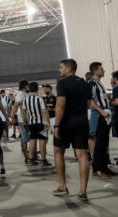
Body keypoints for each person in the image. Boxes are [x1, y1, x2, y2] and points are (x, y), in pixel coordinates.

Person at [53, 59, 92, 201]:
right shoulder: (85, 84)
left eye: (61, 67)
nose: (59, 70)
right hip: (82, 122)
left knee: (58, 152)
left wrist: (57, 125)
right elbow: (88, 104)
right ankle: (83, 192)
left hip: (65, 123)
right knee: (82, 155)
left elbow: (60, 105)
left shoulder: (62, 83)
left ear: (68, 69)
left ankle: (63, 187)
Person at [87, 62, 113, 178]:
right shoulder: (91, 84)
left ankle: (104, 168)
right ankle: (96, 170)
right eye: (101, 69)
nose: (104, 71)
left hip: (105, 115)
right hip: (99, 116)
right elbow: (90, 100)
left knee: (104, 143)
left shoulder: (100, 84)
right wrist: (101, 111)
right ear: (95, 71)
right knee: (99, 144)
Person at [22, 82, 51, 166]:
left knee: (32, 140)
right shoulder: (40, 99)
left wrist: (25, 121)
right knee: (42, 141)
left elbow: (23, 111)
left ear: (30, 89)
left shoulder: (26, 100)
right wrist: (48, 123)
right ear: (37, 89)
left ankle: (31, 158)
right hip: (40, 123)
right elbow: (44, 111)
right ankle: (43, 159)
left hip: (31, 123)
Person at [12, 80, 31, 164]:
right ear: (24, 87)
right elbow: (16, 105)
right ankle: (26, 156)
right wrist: (12, 116)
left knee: (27, 137)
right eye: (28, 86)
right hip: (22, 119)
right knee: (24, 138)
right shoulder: (20, 94)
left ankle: (29, 154)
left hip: (28, 118)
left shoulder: (27, 94)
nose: (29, 87)